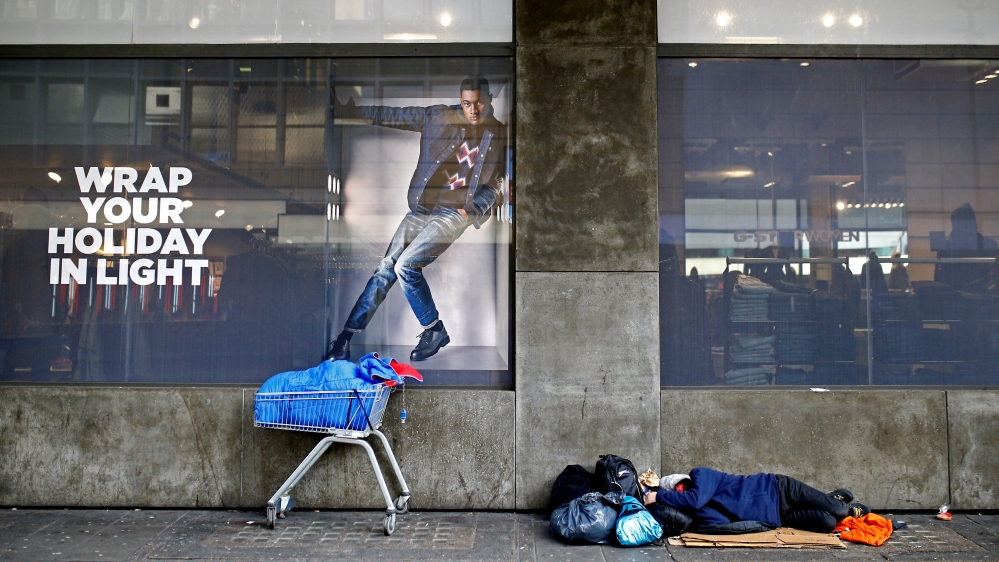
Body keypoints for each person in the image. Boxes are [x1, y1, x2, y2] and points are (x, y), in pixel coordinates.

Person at [326, 76, 507, 362]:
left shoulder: (498, 134)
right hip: (422, 209)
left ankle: (434, 329)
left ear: (489, 100)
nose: (473, 110)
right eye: (467, 103)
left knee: (406, 266)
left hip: (453, 214)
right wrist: (351, 111)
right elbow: (392, 115)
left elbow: (497, 182)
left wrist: (473, 210)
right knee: (385, 269)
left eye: (479, 103)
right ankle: (346, 337)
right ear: (460, 101)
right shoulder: (438, 117)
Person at [643, 467, 869, 533]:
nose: (682, 492)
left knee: (840, 511)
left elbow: (693, 499)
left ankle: (843, 506)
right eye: (677, 494)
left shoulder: (701, 475)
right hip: (778, 516)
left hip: (778, 489)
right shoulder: (700, 507)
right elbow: (719, 522)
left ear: (683, 481)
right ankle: (830, 499)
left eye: (680, 488)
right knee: (827, 523)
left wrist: (657, 496)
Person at [935, 203, 999, 290]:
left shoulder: (989, 245)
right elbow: (939, 278)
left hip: (981, 294)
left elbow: (995, 277)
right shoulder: (946, 247)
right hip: (954, 295)